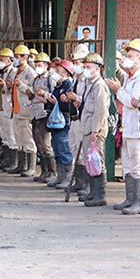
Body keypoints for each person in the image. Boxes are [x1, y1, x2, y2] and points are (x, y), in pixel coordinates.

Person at [105, 39, 140, 215]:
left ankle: (139, 202)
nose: (127, 59)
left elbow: (134, 101)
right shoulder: (129, 78)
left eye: (130, 56)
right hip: (128, 127)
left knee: (138, 164)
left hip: (138, 128)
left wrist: (118, 91)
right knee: (128, 165)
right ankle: (130, 198)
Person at [55, 44, 89, 192]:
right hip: (74, 118)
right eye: (74, 63)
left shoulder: (89, 81)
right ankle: (79, 182)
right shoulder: (76, 80)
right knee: (74, 150)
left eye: (79, 62)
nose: (76, 65)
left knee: (85, 153)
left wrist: (77, 98)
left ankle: (87, 185)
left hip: (84, 119)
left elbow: (90, 100)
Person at [79, 53, 110, 207]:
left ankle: (100, 194)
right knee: (89, 160)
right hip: (87, 126)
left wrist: (95, 130)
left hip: (94, 128)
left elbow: (101, 110)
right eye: (84, 67)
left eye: (88, 67)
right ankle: (93, 191)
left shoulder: (99, 85)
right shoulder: (90, 84)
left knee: (97, 160)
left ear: (97, 68)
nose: (85, 69)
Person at [5, 45, 37, 177]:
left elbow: (33, 92)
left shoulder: (31, 73)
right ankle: (21, 165)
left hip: (26, 110)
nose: (15, 60)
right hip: (16, 109)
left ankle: (31, 167)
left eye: (17, 57)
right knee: (19, 139)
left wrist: (22, 86)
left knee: (28, 139)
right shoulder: (14, 72)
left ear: (25, 57)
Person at [43, 58, 73, 186]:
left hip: (63, 120)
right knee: (56, 147)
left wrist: (57, 102)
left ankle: (67, 178)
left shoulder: (68, 85)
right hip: (55, 121)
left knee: (63, 147)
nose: (54, 73)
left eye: (58, 71)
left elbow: (68, 106)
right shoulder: (58, 86)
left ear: (65, 73)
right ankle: (60, 176)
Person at [29, 52, 55, 182]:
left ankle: (52, 172)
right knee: (38, 143)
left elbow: (54, 96)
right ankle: (44, 171)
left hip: (45, 114)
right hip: (35, 113)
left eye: (40, 65)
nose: (37, 67)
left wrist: (44, 95)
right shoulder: (36, 79)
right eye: (36, 65)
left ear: (46, 65)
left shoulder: (51, 79)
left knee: (46, 144)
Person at [0, 48, 18, 171]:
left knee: (11, 134)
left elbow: (13, 87)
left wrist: (5, 85)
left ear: (9, 60)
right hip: (1, 106)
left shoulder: (14, 72)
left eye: (1, 59)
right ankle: (7, 160)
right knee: (4, 135)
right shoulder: (1, 73)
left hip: (9, 106)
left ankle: (14, 162)